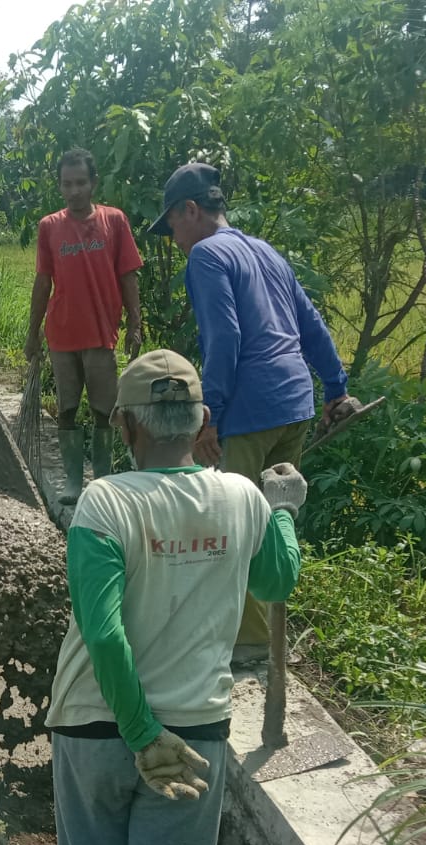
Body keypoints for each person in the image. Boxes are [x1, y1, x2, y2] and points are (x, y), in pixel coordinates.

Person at [46, 348, 305, 845]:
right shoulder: (242, 500)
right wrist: (284, 508)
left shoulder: (105, 504)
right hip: (196, 739)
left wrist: (136, 731)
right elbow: (276, 582)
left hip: (97, 732)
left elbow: (103, 632)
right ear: (201, 423)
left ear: (126, 424)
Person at [148, 162, 355, 661]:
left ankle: (251, 643)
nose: (174, 237)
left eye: (172, 225)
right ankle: (266, 629)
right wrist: (335, 386)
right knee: (272, 518)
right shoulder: (265, 251)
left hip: (250, 409)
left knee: (233, 528)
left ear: (191, 210)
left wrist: (209, 415)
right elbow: (311, 323)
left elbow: (225, 339)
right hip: (293, 404)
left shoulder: (206, 257)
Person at [25, 149, 145, 505]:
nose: (74, 191)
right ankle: (74, 483)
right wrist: (32, 334)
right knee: (66, 409)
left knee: (103, 411)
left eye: (80, 183)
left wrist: (135, 323)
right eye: (67, 184)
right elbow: (43, 282)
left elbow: (128, 275)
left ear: (93, 183)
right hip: (62, 332)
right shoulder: (50, 226)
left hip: (100, 332)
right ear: (60, 186)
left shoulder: (115, 221)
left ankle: (103, 482)